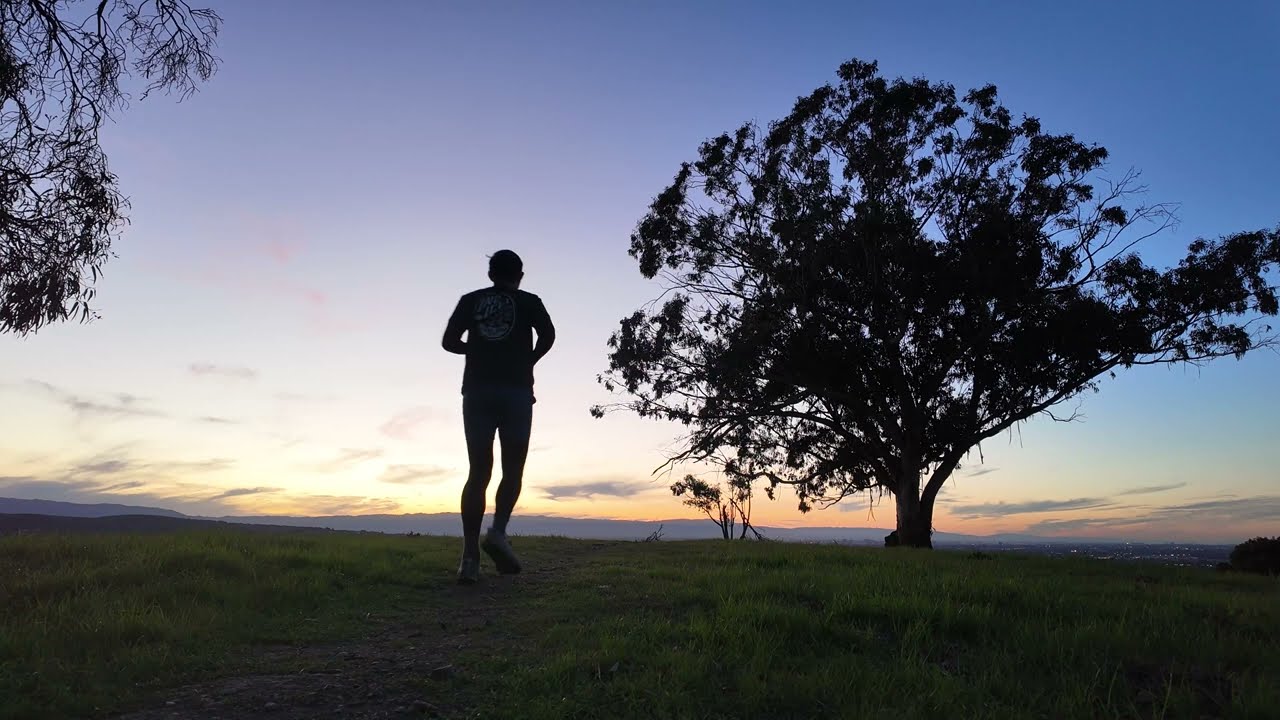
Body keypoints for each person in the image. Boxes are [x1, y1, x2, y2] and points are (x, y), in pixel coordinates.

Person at [441, 250, 555, 584]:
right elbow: (549, 335)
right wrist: (529, 358)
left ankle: (469, 557)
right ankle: (498, 532)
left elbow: (449, 342)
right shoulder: (530, 301)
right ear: (520, 275)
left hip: (477, 393)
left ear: (491, 274)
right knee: (513, 469)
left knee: (478, 471)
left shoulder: (470, 300)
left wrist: (477, 349)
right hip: (516, 393)